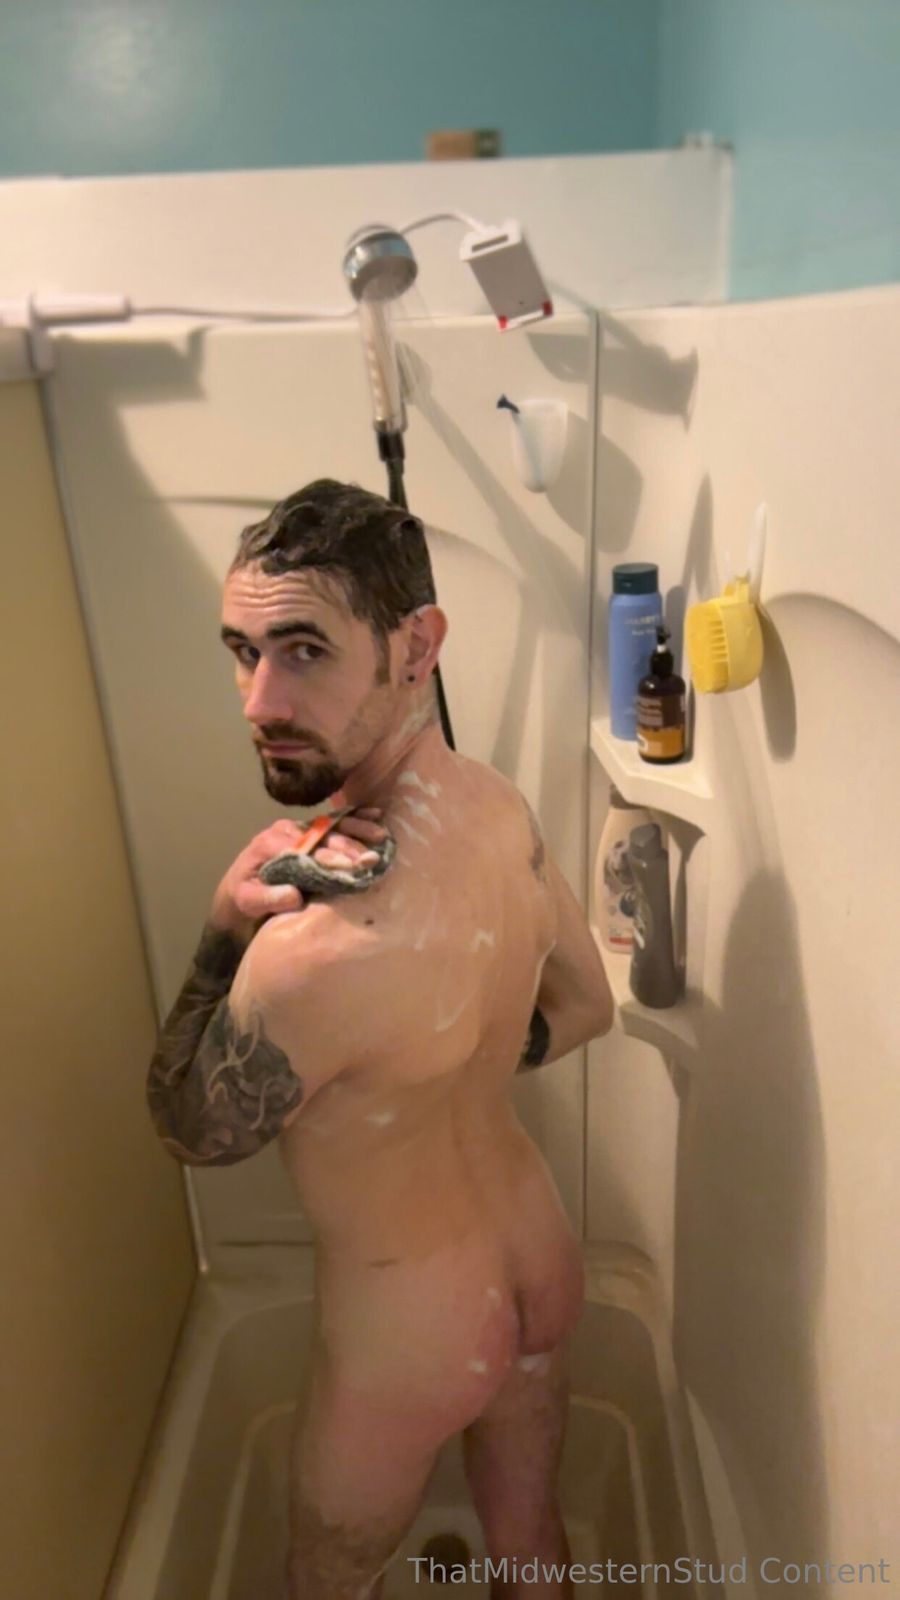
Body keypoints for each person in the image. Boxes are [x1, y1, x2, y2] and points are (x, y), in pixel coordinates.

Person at [146, 479, 614, 1600]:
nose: (260, 699)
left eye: (304, 649)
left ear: (418, 648)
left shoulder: (310, 950)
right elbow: (586, 1006)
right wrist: (443, 1063)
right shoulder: (499, 810)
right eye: (244, 651)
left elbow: (194, 1130)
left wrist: (221, 932)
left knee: (326, 1579)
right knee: (528, 1538)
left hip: (414, 1329)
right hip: (539, 1258)